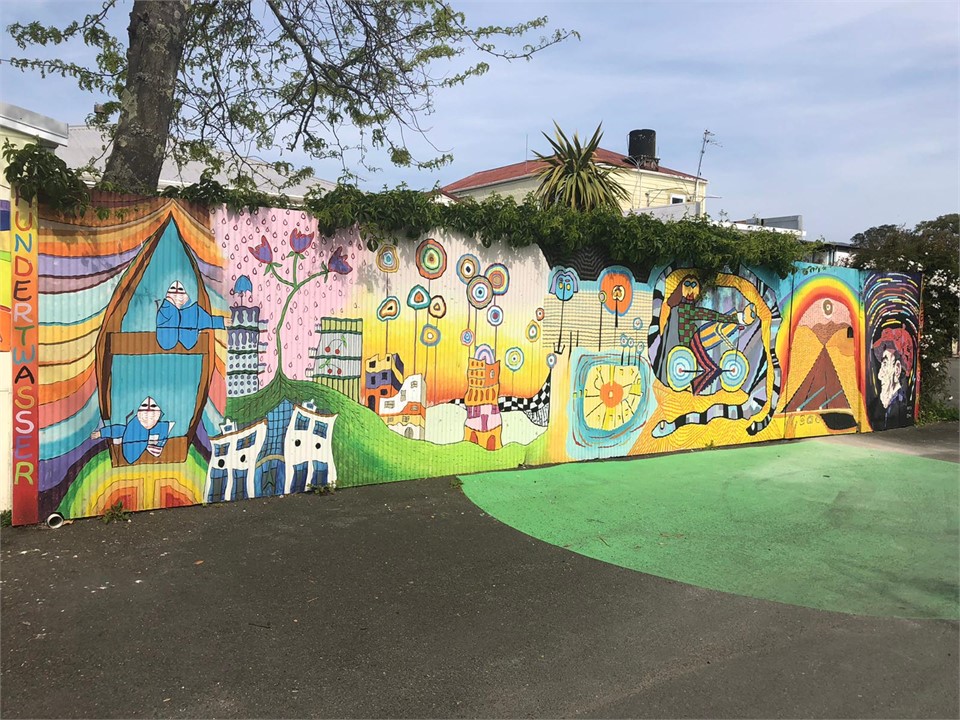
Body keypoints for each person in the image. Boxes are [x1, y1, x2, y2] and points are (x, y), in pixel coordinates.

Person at [662, 275, 756, 395]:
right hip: (693, 342)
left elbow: (707, 315)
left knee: (712, 365)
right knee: (711, 369)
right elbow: (706, 314)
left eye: (694, 286)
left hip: (695, 340)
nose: (690, 290)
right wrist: (729, 318)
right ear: (680, 289)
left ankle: (738, 319)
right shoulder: (685, 309)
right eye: (687, 285)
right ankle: (695, 388)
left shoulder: (686, 308)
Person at [91, 396, 175, 464]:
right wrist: (101, 433)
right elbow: (118, 430)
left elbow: (119, 430)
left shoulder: (160, 427)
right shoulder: (134, 426)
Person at [156, 280, 225, 350]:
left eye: (180, 290)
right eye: (173, 289)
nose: (176, 294)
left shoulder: (194, 310)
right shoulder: (165, 311)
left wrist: (221, 322)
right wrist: (170, 306)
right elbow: (167, 343)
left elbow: (207, 320)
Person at [870, 327, 913, 429]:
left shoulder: (899, 405)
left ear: (897, 369)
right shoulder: (882, 406)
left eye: (885, 364)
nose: (880, 375)